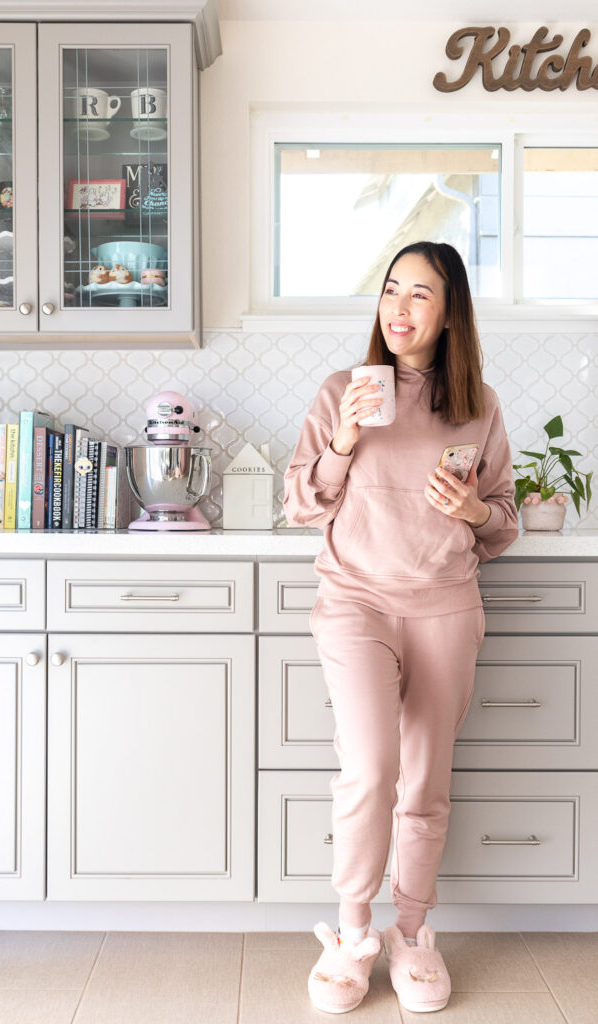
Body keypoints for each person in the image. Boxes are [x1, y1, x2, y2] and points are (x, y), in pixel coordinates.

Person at [282, 241, 518, 1015]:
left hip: (445, 604)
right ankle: (354, 935)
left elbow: (504, 522)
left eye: (420, 295)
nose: (399, 308)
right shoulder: (340, 391)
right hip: (355, 603)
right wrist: (343, 440)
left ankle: (412, 934)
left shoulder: (477, 403)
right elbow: (300, 507)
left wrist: (472, 511)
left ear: (449, 314)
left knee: (424, 783)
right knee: (369, 770)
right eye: (390, 290)